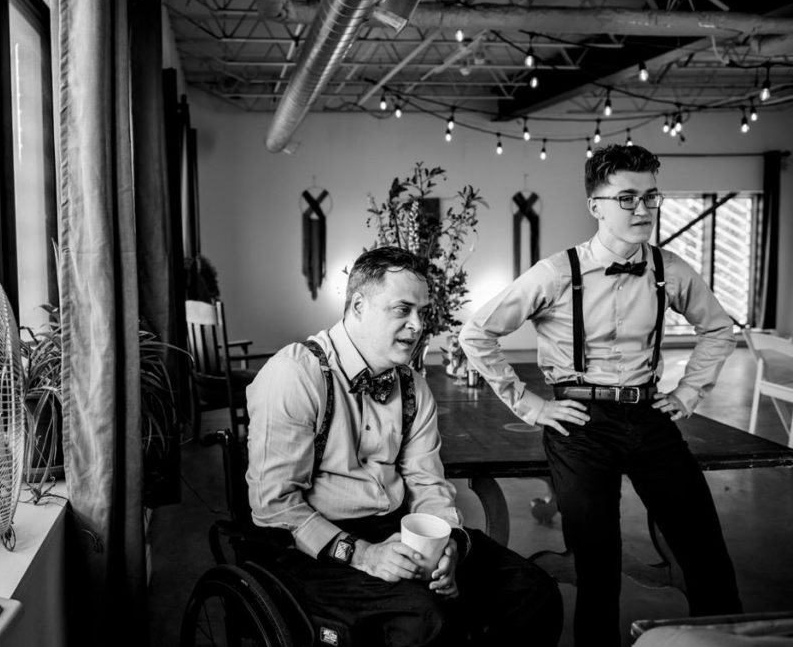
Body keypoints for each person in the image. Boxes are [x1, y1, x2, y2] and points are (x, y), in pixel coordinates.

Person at [459, 143, 743, 646]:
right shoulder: (555, 272)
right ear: (597, 206)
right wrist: (533, 405)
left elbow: (719, 329)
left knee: (705, 551)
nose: (643, 210)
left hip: (650, 415)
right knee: (597, 564)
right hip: (580, 425)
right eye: (628, 198)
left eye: (651, 198)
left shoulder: (670, 268)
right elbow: (475, 333)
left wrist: (688, 393)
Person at [245, 246, 563, 647]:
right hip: (311, 547)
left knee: (532, 591)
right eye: (402, 309)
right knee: (423, 616)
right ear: (359, 305)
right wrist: (361, 553)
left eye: (422, 312)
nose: (417, 326)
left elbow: (427, 483)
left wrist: (443, 543)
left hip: (399, 530)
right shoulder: (295, 375)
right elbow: (274, 505)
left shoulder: (414, 386)